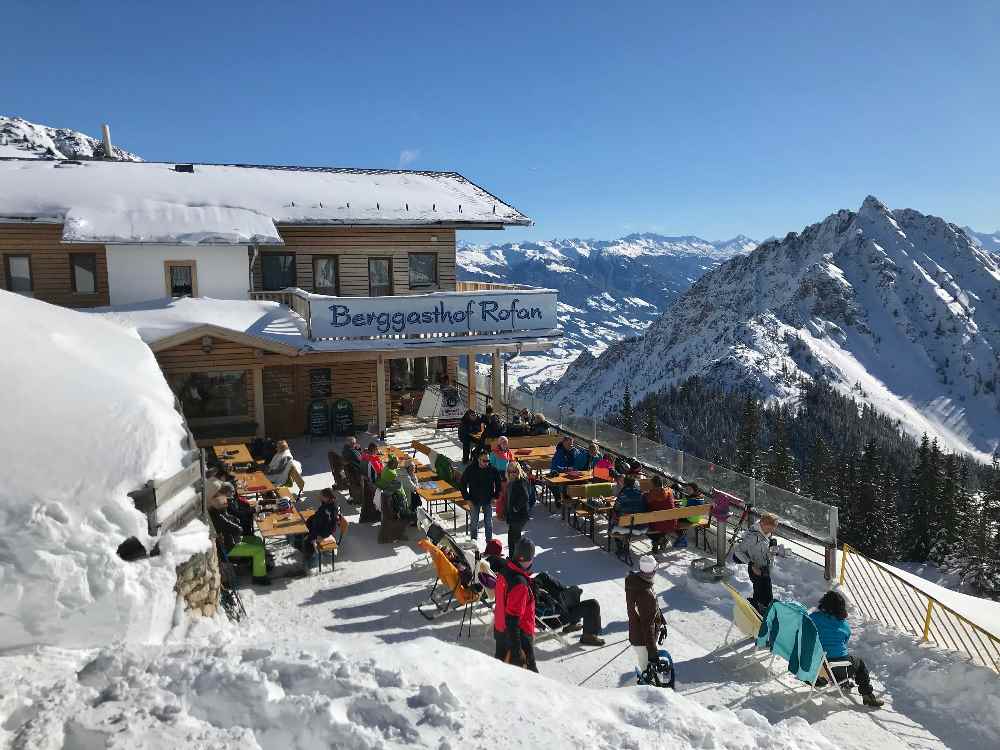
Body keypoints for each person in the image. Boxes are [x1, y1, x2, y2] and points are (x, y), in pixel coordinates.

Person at [810, 591, 885, 707]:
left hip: (817, 666)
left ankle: (840, 681)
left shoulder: (813, 618)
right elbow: (845, 641)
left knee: (836, 662)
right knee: (858, 663)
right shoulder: (844, 624)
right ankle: (868, 696)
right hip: (837, 665)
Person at [208, 481, 271, 586]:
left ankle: (256, 566)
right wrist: (236, 523)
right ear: (214, 501)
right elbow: (237, 529)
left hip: (232, 541)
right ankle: (259, 577)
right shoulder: (216, 516)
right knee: (258, 550)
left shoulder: (219, 511)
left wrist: (233, 519)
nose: (225, 501)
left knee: (257, 540)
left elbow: (233, 520)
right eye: (222, 498)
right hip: (230, 548)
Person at [494, 537, 538, 672]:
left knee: (502, 675)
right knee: (532, 679)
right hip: (519, 638)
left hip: (500, 630)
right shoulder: (519, 584)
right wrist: (517, 652)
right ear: (529, 559)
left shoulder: (506, 570)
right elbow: (512, 619)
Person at [533, 571, 605, 646]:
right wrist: (559, 598)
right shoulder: (532, 596)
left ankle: (571, 624)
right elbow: (548, 609)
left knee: (573, 590)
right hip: (556, 618)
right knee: (593, 604)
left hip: (553, 611)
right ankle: (588, 636)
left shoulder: (526, 588)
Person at [626, 555, 667, 680]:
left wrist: (662, 622)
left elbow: (651, 611)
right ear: (653, 571)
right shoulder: (645, 594)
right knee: (649, 677)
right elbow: (647, 625)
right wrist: (653, 653)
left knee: (646, 670)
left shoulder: (636, 582)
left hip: (637, 634)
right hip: (643, 641)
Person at [733, 512, 781, 616]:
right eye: (772, 527)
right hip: (756, 569)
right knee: (760, 593)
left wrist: (773, 552)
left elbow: (764, 552)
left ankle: (763, 613)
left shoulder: (766, 535)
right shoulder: (754, 536)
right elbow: (738, 551)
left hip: (764, 569)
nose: (773, 530)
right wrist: (751, 564)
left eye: (774, 527)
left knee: (767, 593)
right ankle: (757, 614)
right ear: (763, 524)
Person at [459, 449, 502, 543]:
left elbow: (498, 484)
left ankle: (489, 543)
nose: (487, 463)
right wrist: (467, 499)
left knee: (488, 523)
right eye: (484, 460)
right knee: (474, 523)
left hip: (488, 499)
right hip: (474, 500)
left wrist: (495, 497)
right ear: (479, 459)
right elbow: (462, 484)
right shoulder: (471, 469)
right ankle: (473, 543)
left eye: (488, 461)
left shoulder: (492, 469)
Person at [610, 475, 648, 556]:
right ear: (634, 483)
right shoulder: (642, 494)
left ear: (625, 483)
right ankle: (625, 544)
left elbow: (615, 509)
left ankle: (621, 547)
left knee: (614, 522)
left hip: (627, 528)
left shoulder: (622, 495)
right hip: (642, 527)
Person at [303, 488, 341, 564]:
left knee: (307, 541)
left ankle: (311, 562)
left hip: (325, 531)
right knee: (305, 533)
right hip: (321, 528)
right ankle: (309, 555)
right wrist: (309, 521)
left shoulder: (331, 508)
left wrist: (317, 535)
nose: (320, 498)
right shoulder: (326, 504)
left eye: (321, 496)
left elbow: (327, 524)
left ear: (327, 497)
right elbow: (318, 515)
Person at [502, 461, 532, 550]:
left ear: (518, 471)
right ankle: (512, 558)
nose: (512, 474)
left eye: (514, 471)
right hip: (513, 515)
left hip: (519, 515)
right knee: (511, 536)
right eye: (509, 472)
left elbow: (526, 496)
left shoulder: (521, 481)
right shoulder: (511, 482)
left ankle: (515, 559)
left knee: (515, 538)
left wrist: (516, 508)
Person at [643, 475, 676, 552]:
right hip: (671, 523)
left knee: (645, 525)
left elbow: (644, 507)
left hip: (657, 524)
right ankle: (660, 540)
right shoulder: (669, 492)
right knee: (658, 521)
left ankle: (657, 540)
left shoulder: (649, 495)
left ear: (653, 485)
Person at [549, 436, 578, 507]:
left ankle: (569, 497)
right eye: (569, 444)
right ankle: (558, 498)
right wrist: (567, 469)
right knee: (554, 485)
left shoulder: (574, 451)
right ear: (564, 443)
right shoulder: (559, 453)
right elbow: (556, 467)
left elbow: (577, 462)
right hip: (557, 475)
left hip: (569, 475)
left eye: (571, 444)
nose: (571, 446)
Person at [342, 436, 364, 506]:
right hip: (357, 474)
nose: (356, 444)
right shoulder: (353, 452)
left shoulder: (345, 450)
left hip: (351, 474)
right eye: (354, 443)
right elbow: (361, 459)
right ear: (353, 444)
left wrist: (358, 449)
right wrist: (360, 450)